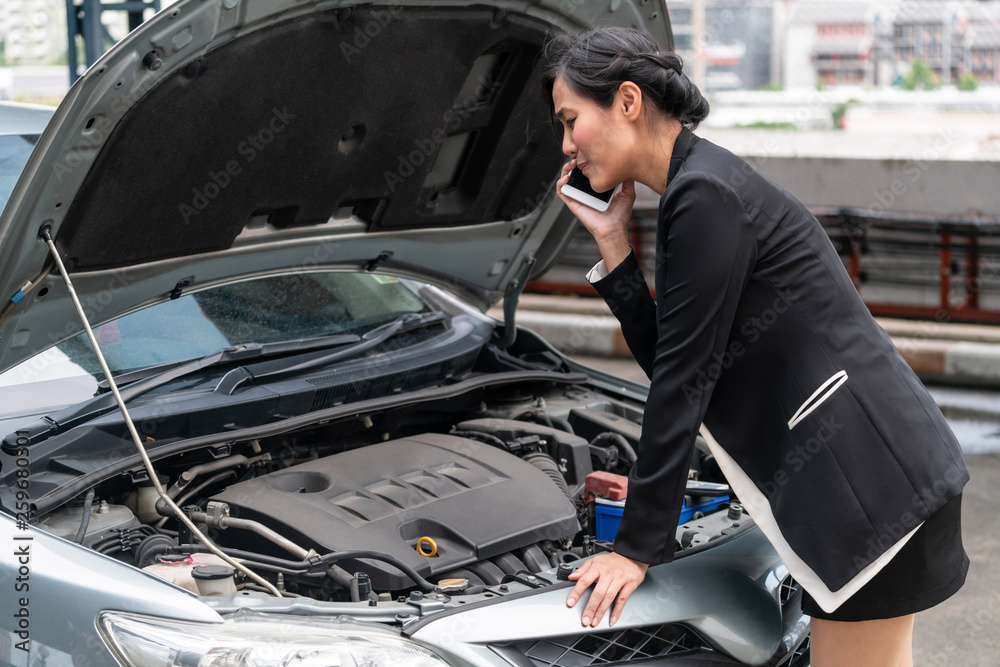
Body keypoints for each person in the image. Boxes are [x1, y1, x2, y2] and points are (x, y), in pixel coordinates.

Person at [541, 27, 969, 667]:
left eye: (571, 120)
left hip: (868, 490)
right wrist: (613, 243)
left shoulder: (704, 195)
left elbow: (681, 385)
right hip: (878, 478)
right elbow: (680, 361)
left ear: (628, 101)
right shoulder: (700, 184)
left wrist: (634, 547)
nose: (568, 145)